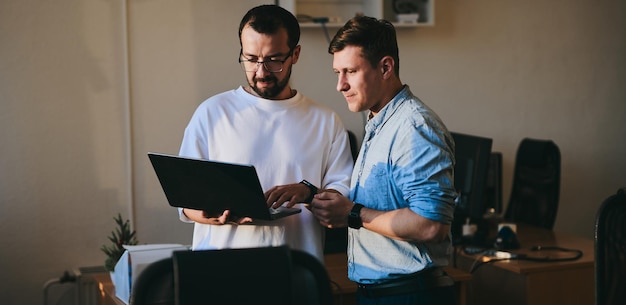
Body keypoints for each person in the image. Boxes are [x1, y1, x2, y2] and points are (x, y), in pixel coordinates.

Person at [177, 4, 354, 261]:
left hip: (297, 275)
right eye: (250, 59)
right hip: (219, 274)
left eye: (274, 60)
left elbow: (342, 200)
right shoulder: (212, 113)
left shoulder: (325, 121)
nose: (261, 72)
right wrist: (207, 214)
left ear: (295, 54)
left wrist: (309, 192)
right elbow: (186, 199)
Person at [309, 16, 458, 304]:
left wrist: (353, 213)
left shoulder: (413, 127)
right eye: (337, 72)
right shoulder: (379, 122)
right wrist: (316, 198)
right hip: (381, 294)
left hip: (410, 294)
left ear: (386, 67)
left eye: (350, 71)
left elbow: (431, 225)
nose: (340, 85)